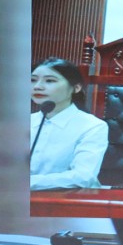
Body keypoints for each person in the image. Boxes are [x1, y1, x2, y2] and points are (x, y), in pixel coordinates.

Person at [29, 58, 108, 190]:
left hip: (69, 199)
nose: (37, 86)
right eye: (33, 80)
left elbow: (83, 177)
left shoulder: (92, 126)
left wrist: (27, 182)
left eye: (50, 81)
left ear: (76, 88)